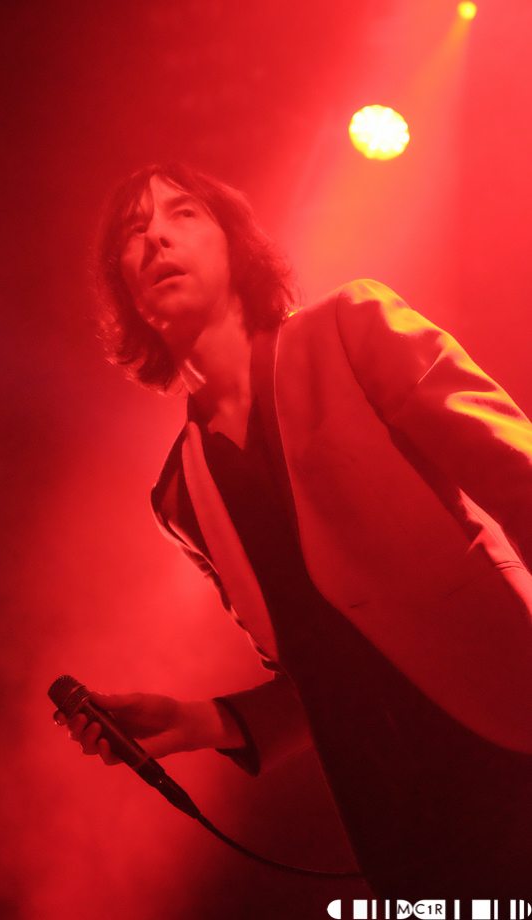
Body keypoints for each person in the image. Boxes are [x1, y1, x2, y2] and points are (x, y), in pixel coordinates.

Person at [54, 162, 532, 898]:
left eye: (183, 214)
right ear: (124, 291)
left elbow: (517, 476)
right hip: (397, 823)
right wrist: (195, 720)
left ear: (234, 242)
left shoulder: (349, 326)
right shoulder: (180, 496)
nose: (156, 238)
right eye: (133, 231)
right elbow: (317, 670)